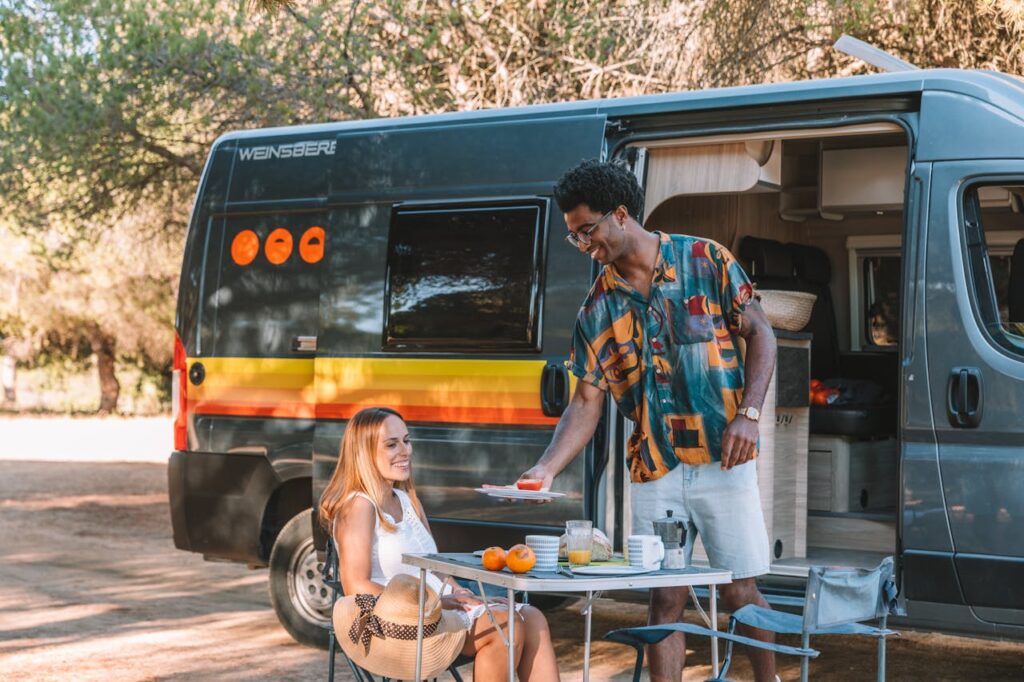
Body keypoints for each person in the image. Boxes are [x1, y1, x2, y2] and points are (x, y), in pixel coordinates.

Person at [518, 160, 779, 682]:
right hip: (655, 468)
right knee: (665, 597)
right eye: (573, 237)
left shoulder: (706, 260)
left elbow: (762, 335)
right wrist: (547, 468)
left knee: (739, 591)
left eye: (587, 231)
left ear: (620, 214)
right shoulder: (597, 309)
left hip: (723, 461)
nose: (583, 244)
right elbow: (585, 403)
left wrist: (749, 414)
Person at [320, 406, 560, 682]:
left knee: (532, 618)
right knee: (505, 627)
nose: (405, 451)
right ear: (364, 453)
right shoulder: (359, 506)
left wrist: (464, 596)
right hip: (392, 620)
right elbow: (354, 586)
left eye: (406, 441)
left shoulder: (406, 500)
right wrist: (437, 603)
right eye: (391, 444)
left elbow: (435, 568)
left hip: (437, 611)